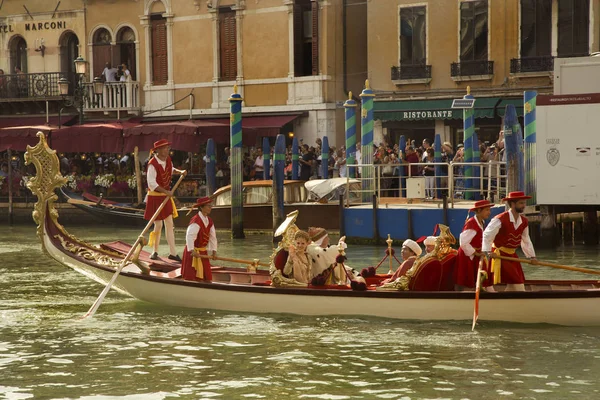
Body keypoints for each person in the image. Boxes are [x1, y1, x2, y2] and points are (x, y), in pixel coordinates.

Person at [482, 191, 537, 291]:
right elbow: (487, 235)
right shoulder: (500, 219)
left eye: (524, 203)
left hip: (512, 255)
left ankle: (507, 302)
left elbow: (526, 239)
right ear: (512, 204)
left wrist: (532, 256)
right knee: (517, 283)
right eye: (521, 203)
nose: (524, 205)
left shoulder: (524, 221)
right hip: (499, 255)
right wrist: (488, 252)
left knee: (515, 283)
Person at [144, 139, 187, 261]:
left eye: (168, 148)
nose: (167, 150)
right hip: (155, 197)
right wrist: (166, 191)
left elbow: (171, 169)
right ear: (157, 150)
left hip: (165, 196)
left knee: (169, 224)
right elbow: (151, 183)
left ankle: (173, 253)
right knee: (158, 225)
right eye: (164, 148)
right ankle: (155, 251)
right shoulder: (152, 164)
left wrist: (180, 172)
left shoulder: (168, 160)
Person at [455, 200, 493, 290]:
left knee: (480, 277)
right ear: (479, 211)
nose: (489, 212)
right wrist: (476, 253)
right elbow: (463, 243)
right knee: (467, 279)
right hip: (468, 255)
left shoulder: (481, 222)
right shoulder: (472, 224)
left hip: (476, 254)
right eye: (487, 210)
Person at [181, 197, 217, 281]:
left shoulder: (209, 221)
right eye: (208, 206)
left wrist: (214, 251)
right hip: (193, 252)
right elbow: (189, 236)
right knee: (191, 276)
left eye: (210, 205)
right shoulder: (196, 220)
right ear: (201, 207)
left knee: (206, 275)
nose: (210, 207)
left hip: (202, 252)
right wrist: (192, 250)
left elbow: (213, 237)